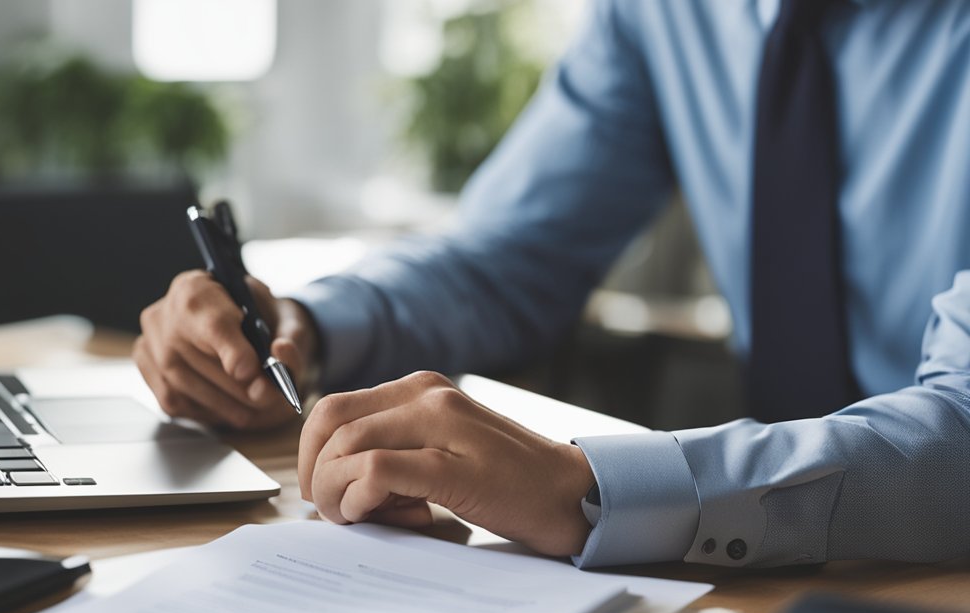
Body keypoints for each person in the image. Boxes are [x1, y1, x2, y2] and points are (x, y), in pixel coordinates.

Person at [134, 0, 970, 569]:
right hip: (775, 595)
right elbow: (510, 252)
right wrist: (302, 327)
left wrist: (596, 490)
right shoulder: (664, 15)